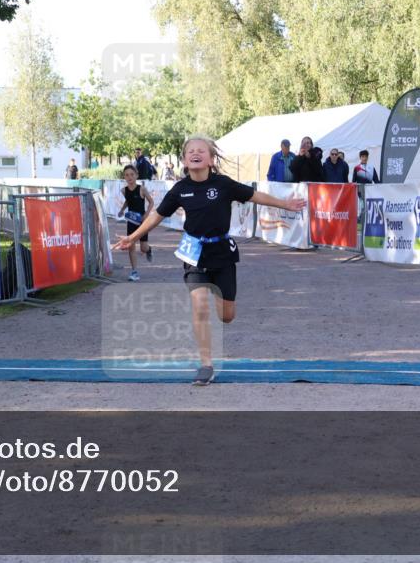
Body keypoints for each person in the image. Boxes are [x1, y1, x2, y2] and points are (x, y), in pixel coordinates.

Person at [113, 135, 307, 386]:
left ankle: (220, 296)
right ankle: (206, 364)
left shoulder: (224, 184)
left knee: (227, 316)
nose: (195, 153)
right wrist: (133, 237)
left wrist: (285, 204)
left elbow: (254, 195)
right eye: (190, 151)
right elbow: (157, 216)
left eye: (201, 151)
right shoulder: (180, 189)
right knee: (199, 307)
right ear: (184, 160)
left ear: (211, 159)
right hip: (194, 254)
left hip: (223, 254)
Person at [116, 165, 154, 281]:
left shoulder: (142, 188)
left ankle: (149, 250)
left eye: (132, 174)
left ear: (136, 175)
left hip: (142, 222)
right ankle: (134, 272)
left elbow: (151, 202)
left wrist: (146, 215)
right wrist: (122, 210)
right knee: (131, 246)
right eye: (127, 175)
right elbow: (129, 200)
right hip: (131, 221)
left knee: (143, 248)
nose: (129, 177)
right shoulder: (124, 190)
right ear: (124, 177)